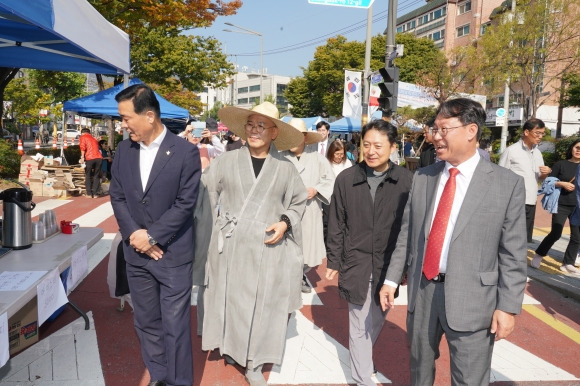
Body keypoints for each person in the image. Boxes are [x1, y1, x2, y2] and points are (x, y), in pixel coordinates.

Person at [379, 98, 528, 386]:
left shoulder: (506, 184)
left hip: (474, 300)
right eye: (434, 129)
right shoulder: (423, 177)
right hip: (424, 292)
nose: (436, 136)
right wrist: (391, 279)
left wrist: (508, 307)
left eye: (443, 129)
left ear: (471, 131)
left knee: (469, 378)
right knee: (419, 372)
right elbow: (408, 235)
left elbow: (513, 253)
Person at [200, 101, 307, 386]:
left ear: (274, 133)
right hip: (232, 245)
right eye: (250, 124)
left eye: (262, 126)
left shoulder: (285, 168)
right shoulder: (225, 161)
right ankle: (234, 349)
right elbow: (206, 195)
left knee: (265, 305)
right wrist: (210, 235)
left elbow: (297, 202)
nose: (255, 130)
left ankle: (256, 361)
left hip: (267, 246)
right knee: (233, 301)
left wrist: (285, 222)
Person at [109, 83, 201, 386]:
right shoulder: (124, 150)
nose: (122, 125)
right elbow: (118, 196)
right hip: (136, 254)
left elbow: (186, 203)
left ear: (149, 116)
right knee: (146, 322)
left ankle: (178, 382)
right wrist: (136, 235)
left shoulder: (186, 152)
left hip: (172, 255)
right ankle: (160, 376)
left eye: (126, 118)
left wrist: (153, 237)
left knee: (175, 325)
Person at [326, 119, 413, 386]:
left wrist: (405, 267)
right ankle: (362, 378)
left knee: (376, 318)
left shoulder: (407, 181)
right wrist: (334, 258)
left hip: (389, 264)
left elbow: (410, 229)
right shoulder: (347, 179)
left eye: (378, 145)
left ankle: (363, 360)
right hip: (356, 260)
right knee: (359, 322)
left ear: (392, 147)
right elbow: (336, 222)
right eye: (366, 145)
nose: (371, 151)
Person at [281, 118, 334, 293]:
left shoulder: (317, 159)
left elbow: (329, 180)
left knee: (307, 249)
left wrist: (316, 190)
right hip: (285, 211)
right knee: (286, 246)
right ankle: (290, 277)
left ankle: (300, 275)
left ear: (305, 137)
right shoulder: (280, 158)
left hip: (309, 210)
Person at [532, 139, 580, 274]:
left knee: (577, 237)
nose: (578, 150)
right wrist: (562, 184)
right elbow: (548, 181)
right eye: (576, 147)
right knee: (556, 233)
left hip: (578, 206)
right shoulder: (561, 164)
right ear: (572, 148)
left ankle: (568, 263)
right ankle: (539, 255)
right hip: (561, 204)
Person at [499, 118, 551, 242]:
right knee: (511, 237)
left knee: (525, 238)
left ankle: (520, 261)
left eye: (542, 133)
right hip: (515, 201)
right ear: (526, 132)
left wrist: (546, 173)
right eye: (537, 133)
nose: (540, 136)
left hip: (531, 200)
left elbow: (539, 178)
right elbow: (500, 176)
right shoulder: (511, 151)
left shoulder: (537, 153)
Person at [79, 128, 103, 198]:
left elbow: (82, 147)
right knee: (96, 175)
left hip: (90, 158)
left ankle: (89, 194)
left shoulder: (83, 137)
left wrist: (82, 157)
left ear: (82, 133)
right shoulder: (93, 138)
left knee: (88, 175)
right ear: (89, 132)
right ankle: (95, 194)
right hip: (99, 158)